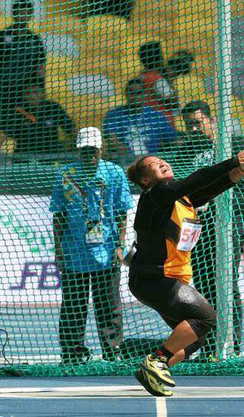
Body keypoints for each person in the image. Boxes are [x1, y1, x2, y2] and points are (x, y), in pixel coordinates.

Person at [126, 147, 244, 396]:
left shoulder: (179, 199)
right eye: (155, 164)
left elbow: (211, 187)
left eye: (163, 158)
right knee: (206, 317)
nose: (162, 162)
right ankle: (157, 359)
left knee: (196, 338)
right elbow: (199, 178)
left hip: (167, 279)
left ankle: (153, 369)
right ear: (145, 180)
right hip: (154, 278)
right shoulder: (157, 193)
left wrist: (239, 172)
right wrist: (232, 160)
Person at [178, 100, 244, 360]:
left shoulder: (233, 144)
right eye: (188, 124)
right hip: (195, 225)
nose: (193, 129)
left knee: (226, 281)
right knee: (199, 285)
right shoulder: (185, 150)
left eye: (198, 123)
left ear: (211, 121)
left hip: (228, 222)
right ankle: (207, 344)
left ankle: (231, 343)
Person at [49, 127, 134, 365]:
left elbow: (121, 212)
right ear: (78, 150)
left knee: (109, 305)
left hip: (106, 251)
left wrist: (120, 245)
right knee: (73, 306)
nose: (90, 155)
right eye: (85, 151)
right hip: (74, 251)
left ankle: (112, 352)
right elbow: (59, 215)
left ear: (101, 148)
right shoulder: (66, 174)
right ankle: (72, 354)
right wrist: (58, 251)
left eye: (93, 150)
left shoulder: (115, 173)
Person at [103, 78, 177, 163]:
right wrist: (131, 158)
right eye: (132, 93)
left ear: (144, 94)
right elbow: (112, 140)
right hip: (124, 161)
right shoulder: (114, 115)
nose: (135, 96)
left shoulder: (156, 116)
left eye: (138, 93)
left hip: (152, 162)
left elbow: (173, 138)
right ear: (126, 94)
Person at [0, 81, 75, 156]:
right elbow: (4, 134)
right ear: (23, 95)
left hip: (51, 154)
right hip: (24, 155)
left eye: (35, 92)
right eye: (28, 93)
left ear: (43, 93)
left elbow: (71, 129)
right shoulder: (18, 111)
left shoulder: (53, 108)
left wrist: (73, 148)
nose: (32, 96)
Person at [0, 0, 45, 111]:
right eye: (20, 11)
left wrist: (40, 87)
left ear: (31, 14)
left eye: (26, 12)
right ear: (14, 13)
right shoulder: (2, 36)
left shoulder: (35, 39)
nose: (23, 15)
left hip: (25, 91)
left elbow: (40, 66)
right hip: (4, 88)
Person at [138, 41, 179, 128]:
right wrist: (170, 80)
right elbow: (173, 101)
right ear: (159, 58)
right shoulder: (157, 79)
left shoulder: (142, 76)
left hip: (148, 121)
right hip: (163, 124)